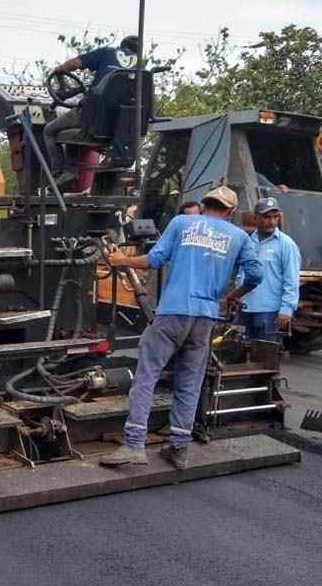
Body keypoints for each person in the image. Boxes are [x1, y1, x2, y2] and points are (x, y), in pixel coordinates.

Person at [100, 186, 262, 470]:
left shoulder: (181, 223)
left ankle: (135, 444)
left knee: (147, 375)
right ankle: (179, 448)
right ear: (231, 211)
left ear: (204, 204)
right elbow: (256, 275)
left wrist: (121, 260)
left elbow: (153, 260)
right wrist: (231, 297)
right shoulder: (239, 237)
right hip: (205, 318)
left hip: (173, 311)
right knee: (189, 381)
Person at [43, 35, 140, 182]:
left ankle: (59, 175)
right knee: (72, 133)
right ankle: (72, 171)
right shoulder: (141, 68)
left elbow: (75, 64)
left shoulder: (107, 52)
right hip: (118, 128)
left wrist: (60, 69)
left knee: (49, 131)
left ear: (121, 46)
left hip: (91, 117)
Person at [237, 197, 301, 341]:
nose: (271, 221)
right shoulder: (247, 242)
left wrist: (286, 309)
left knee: (264, 359)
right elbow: (241, 273)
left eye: (275, 217)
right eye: (266, 217)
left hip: (269, 312)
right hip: (245, 309)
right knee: (239, 356)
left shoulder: (286, 245)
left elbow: (291, 280)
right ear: (255, 218)